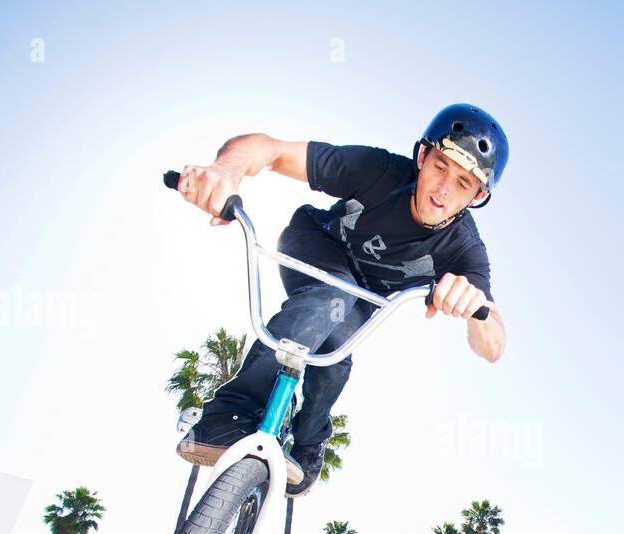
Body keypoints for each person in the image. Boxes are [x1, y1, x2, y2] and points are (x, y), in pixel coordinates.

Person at [173, 103, 508, 495]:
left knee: (336, 358)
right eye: (439, 167)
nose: (443, 189)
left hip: (361, 299)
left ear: (475, 197)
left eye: (463, 184)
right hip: (316, 247)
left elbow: (493, 345)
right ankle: (229, 410)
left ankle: (310, 442)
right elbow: (270, 149)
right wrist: (224, 172)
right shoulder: (379, 172)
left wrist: (474, 311)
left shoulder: (464, 249)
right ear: (422, 156)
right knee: (328, 298)